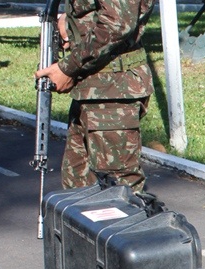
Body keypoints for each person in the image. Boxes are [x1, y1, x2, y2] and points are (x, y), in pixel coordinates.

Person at [34, 0, 155, 192]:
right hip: (95, 89)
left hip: (113, 92)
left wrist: (68, 68)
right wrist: (71, 22)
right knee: (79, 195)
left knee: (119, 194)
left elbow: (117, 23)